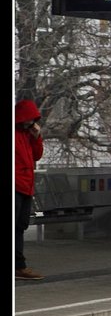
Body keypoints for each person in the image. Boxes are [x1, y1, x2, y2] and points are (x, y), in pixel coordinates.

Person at [15, 99, 45, 280]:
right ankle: (19, 265)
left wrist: (37, 138)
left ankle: (19, 265)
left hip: (25, 185)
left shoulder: (27, 135)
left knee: (20, 226)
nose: (31, 123)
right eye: (29, 119)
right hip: (17, 184)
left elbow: (37, 155)